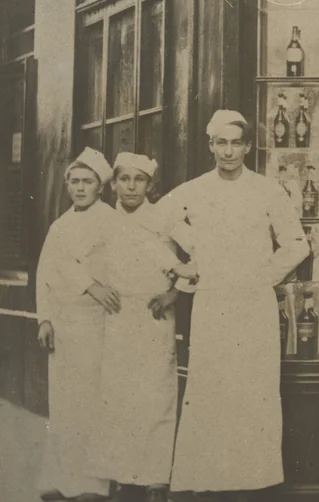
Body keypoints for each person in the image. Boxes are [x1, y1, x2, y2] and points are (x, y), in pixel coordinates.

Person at [156, 110, 310, 496]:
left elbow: (296, 244)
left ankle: (252, 480)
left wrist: (263, 275)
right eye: (220, 143)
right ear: (211, 145)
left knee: (252, 390)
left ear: (247, 146)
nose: (228, 151)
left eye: (236, 143)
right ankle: (207, 478)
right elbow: (154, 224)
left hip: (254, 303)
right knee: (211, 388)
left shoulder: (267, 190)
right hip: (211, 304)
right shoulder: (193, 190)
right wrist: (187, 259)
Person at [91, 153, 194, 502]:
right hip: (116, 317)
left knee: (156, 395)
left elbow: (201, 255)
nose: (131, 187)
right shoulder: (102, 220)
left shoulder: (165, 217)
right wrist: (95, 288)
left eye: (139, 180)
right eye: (124, 179)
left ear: (150, 186)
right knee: (119, 396)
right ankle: (123, 474)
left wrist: (175, 293)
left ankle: (155, 479)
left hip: (154, 316)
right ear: (114, 184)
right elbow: (75, 261)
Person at [35, 147, 119, 502]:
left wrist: (95, 287)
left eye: (88, 182)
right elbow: (45, 274)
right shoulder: (60, 226)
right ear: (67, 186)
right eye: (75, 182)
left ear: (100, 187)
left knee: (93, 402)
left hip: (99, 324)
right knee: (64, 404)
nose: (81, 188)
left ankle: (94, 483)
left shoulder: (113, 221)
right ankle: (62, 479)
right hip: (65, 327)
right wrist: (45, 319)